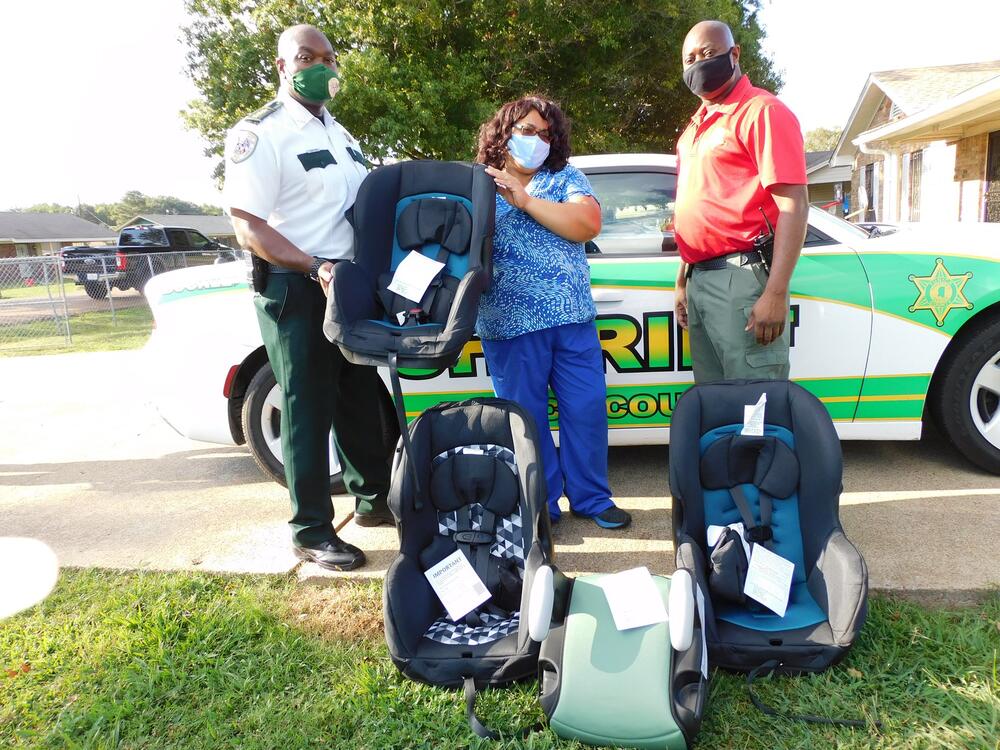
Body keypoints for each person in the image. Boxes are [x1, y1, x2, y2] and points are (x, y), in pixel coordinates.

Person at [224, 24, 393, 572]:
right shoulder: (261, 134)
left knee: (360, 400)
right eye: (306, 57)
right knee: (306, 409)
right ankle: (311, 531)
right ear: (282, 66)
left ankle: (371, 503)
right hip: (295, 286)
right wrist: (313, 264)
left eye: (328, 56)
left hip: (346, 282)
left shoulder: (340, 135)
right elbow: (249, 225)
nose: (321, 65)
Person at [475, 95, 631, 530]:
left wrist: (524, 200)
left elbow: (587, 224)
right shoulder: (479, 184)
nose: (537, 140)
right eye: (526, 130)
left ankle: (593, 499)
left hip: (573, 320)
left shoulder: (564, 177)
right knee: (525, 417)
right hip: (511, 324)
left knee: (586, 408)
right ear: (502, 133)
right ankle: (540, 501)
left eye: (545, 133)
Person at [673, 20, 808, 383]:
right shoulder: (698, 123)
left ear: (734, 54)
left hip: (742, 277)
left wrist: (776, 293)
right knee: (716, 404)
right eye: (689, 58)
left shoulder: (761, 111)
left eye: (708, 53)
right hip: (702, 278)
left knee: (754, 407)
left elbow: (794, 204)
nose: (697, 62)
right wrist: (684, 280)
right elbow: (697, 207)